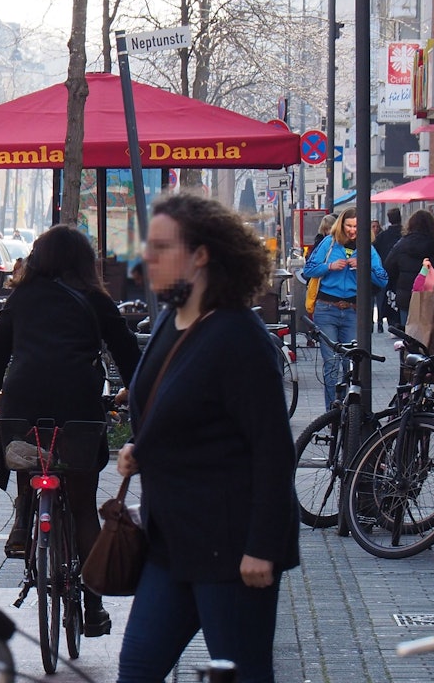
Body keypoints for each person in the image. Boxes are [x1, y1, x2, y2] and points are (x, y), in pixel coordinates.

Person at [114, 194, 299, 683]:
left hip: (231, 549)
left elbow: (273, 451)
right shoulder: (167, 323)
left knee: (243, 675)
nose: (146, 258)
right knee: (136, 672)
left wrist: (263, 546)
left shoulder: (240, 338)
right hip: (169, 542)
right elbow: (174, 410)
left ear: (200, 255)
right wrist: (141, 448)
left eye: (161, 247)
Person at [0, 225, 141, 638]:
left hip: (24, 398)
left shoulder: (23, 297)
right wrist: (132, 390)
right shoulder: (95, 299)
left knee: (25, 444)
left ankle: (22, 519)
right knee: (84, 508)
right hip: (78, 404)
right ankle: (92, 608)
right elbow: (127, 351)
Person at [301, 208, 389, 409]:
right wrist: (329, 267)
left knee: (349, 364)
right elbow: (308, 269)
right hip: (326, 309)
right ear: (341, 225)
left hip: (352, 311)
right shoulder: (329, 243)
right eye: (348, 226)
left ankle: (349, 411)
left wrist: (364, 265)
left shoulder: (367, 248)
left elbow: (383, 279)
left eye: (356, 226)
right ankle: (332, 411)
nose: (352, 230)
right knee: (331, 364)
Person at [382, 209, 434, 327]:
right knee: (431, 336)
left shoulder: (401, 246)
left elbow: (388, 269)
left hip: (407, 298)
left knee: (409, 334)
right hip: (433, 297)